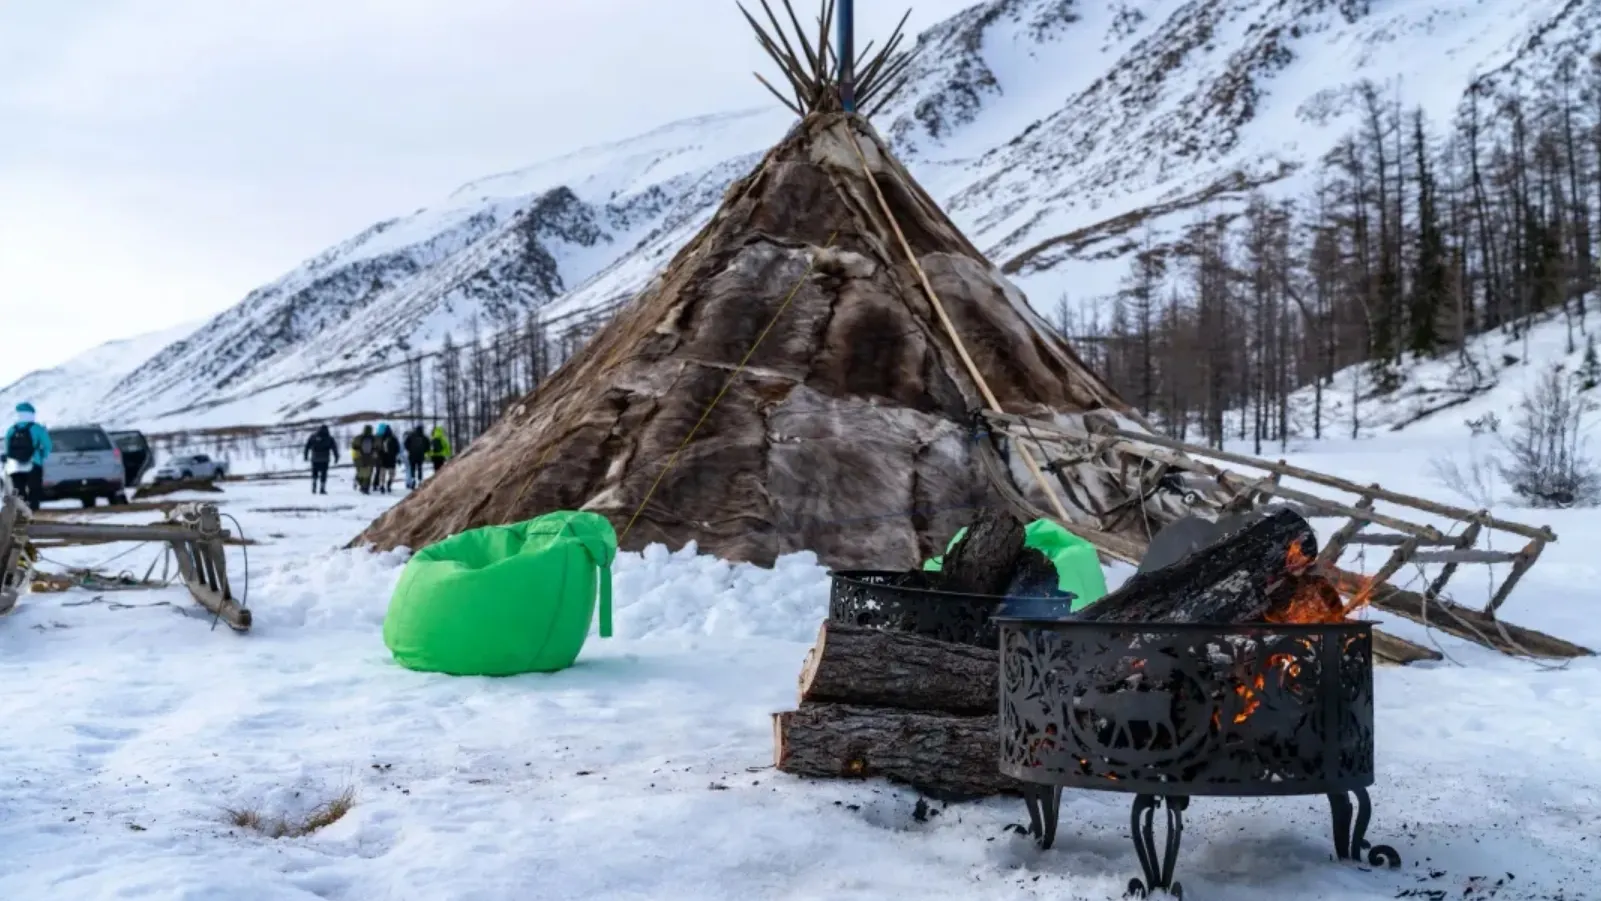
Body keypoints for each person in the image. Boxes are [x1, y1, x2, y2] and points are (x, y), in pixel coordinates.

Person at [3, 402, 52, 511]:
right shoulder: (37, 428)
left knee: (19, 487)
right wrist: (42, 456)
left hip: (15, 464)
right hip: (34, 462)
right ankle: (34, 507)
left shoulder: (12, 429)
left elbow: (7, 447)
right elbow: (48, 445)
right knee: (34, 487)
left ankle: (22, 508)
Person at [302, 424, 336, 494]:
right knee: (324, 474)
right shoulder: (329, 438)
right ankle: (322, 489)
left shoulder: (313, 437)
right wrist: (336, 457)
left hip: (315, 459)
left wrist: (305, 456)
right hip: (325, 459)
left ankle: (314, 487)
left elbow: (307, 446)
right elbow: (334, 448)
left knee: (315, 473)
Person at [351, 425, 378, 494]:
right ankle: (365, 488)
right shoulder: (373, 438)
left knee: (363, 473)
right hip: (368, 457)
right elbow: (376, 448)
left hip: (359, 457)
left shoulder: (358, 437)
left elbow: (353, 447)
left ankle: (364, 487)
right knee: (367, 474)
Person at [376, 423, 402, 494]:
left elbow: (378, 449)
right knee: (392, 474)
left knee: (382, 474)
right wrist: (398, 458)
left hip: (383, 458)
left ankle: (382, 486)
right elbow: (397, 449)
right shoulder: (394, 438)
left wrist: (379, 457)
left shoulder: (381, 438)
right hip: (392, 459)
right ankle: (389, 484)